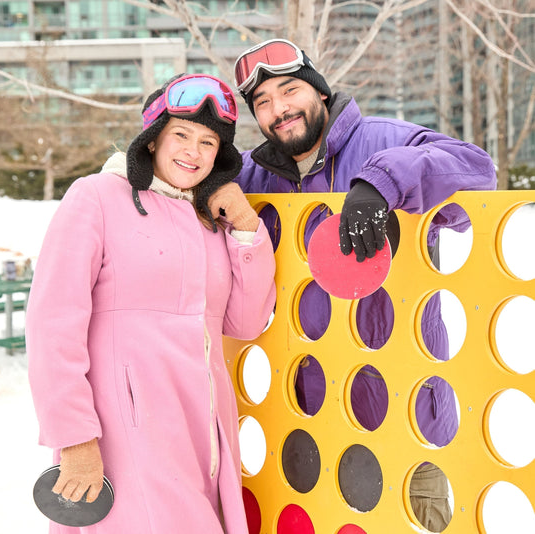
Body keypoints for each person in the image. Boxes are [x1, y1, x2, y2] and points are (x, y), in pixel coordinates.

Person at [231, 38, 496, 532]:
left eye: (289, 91)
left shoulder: (381, 141)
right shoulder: (255, 177)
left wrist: (383, 182)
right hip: (311, 420)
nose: (278, 109)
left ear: (321, 94)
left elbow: (480, 172)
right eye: (262, 103)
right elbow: (185, 177)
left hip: (407, 419)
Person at [26, 73, 276, 534]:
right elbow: (51, 325)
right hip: (128, 435)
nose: (193, 152)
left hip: (204, 439)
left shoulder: (209, 219)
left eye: (208, 142)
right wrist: (74, 438)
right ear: (153, 137)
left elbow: (245, 321)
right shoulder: (97, 197)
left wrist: (243, 223)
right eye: (181, 134)